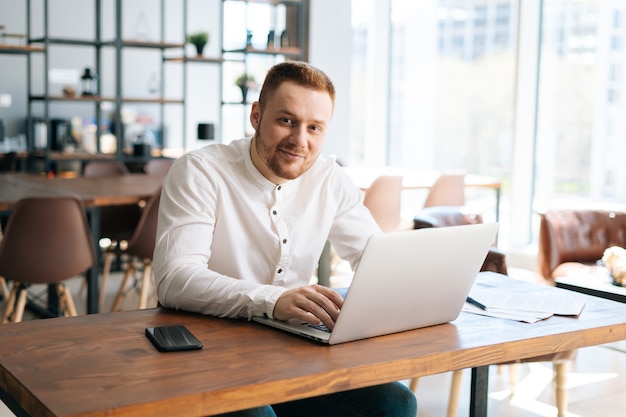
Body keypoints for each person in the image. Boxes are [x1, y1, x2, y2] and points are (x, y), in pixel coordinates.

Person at [153, 61, 417, 417]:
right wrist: (273, 300)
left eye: (314, 128)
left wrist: (432, 276)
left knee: (396, 402)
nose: (300, 141)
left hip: (290, 349)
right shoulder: (200, 171)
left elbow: (378, 260)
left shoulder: (329, 178)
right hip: (207, 351)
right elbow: (175, 280)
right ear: (256, 115)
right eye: (287, 121)